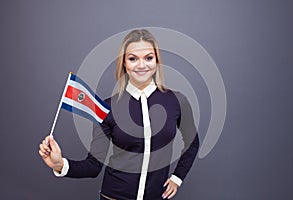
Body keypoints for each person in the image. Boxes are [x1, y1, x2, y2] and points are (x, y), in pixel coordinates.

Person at [39, 29, 199, 200]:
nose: (141, 65)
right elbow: (94, 166)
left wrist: (177, 178)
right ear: (124, 63)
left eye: (148, 58)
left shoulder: (177, 101)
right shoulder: (107, 108)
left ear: (157, 60)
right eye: (133, 59)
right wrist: (60, 164)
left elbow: (192, 142)